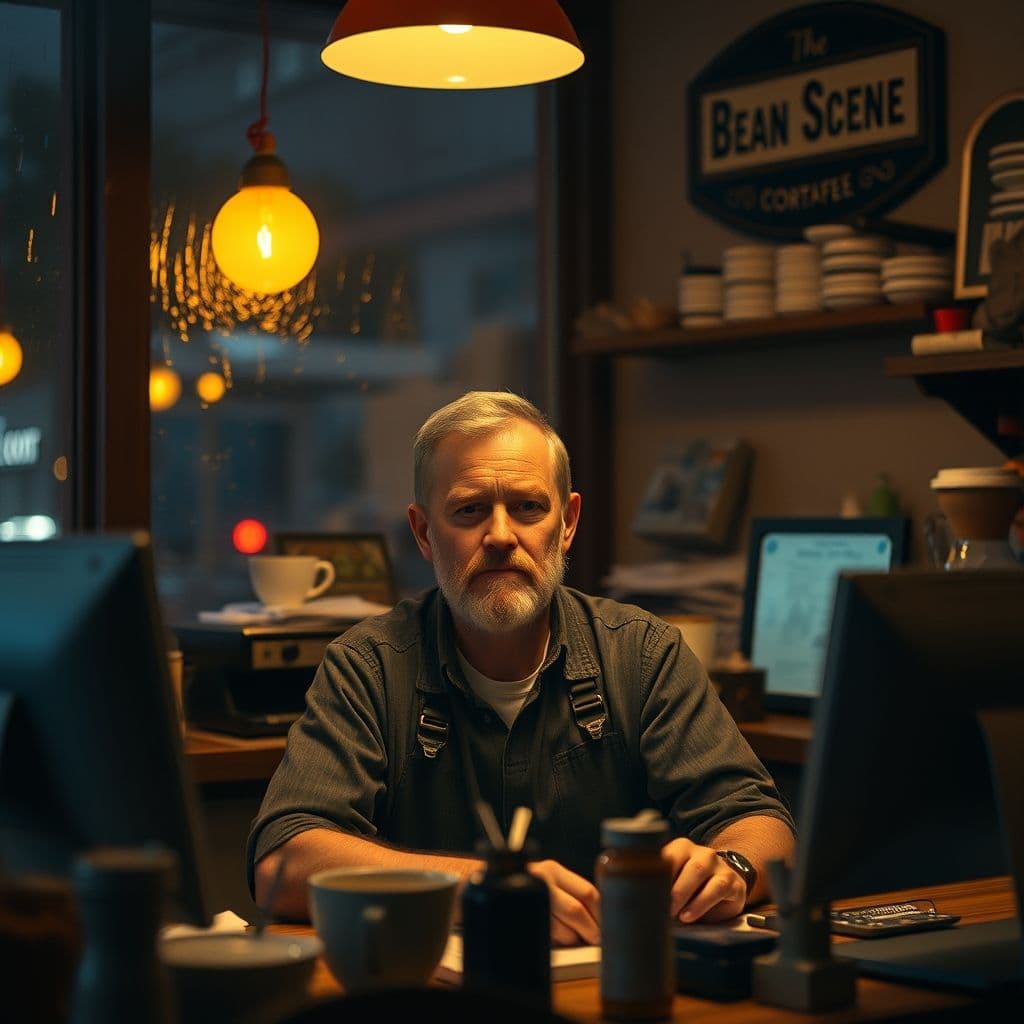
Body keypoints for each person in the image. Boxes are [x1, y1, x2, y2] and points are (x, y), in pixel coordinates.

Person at [248, 391, 795, 944]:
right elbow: (284, 859)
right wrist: (481, 886)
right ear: (422, 532)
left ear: (568, 523)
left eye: (529, 508)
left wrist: (732, 869)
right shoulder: (369, 666)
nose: (502, 536)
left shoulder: (644, 654)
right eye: (469, 510)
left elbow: (764, 825)